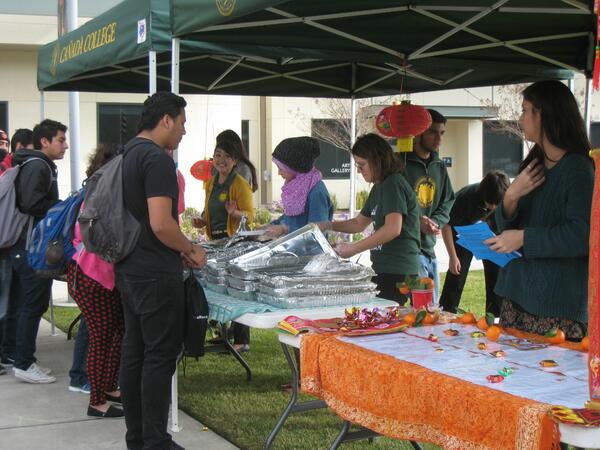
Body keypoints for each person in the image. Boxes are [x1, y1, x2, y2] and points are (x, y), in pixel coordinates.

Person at [116, 92, 207, 449]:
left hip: (130, 268)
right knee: (158, 357)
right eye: (182, 123)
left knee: (136, 353)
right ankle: (155, 441)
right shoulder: (156, 159)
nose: (183, 131)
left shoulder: (128, 153)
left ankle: (137, 438)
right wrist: (190, 249)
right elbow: (161, 224)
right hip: (154, 273)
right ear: (166, 120)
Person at [485, 80, 594, 341]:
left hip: (557, 305)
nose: (520, 118)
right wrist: (510, 196)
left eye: (525, 110)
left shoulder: (578, 170)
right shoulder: (534, 164)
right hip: (517, 297)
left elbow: (582, 235)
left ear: (543, 113)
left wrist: (523, 238)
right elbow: (503, 228)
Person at [319, 133, 420, 304]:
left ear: (377, 160)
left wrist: (354, 248)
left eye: (362, 165)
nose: (359, 170)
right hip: (384, 268)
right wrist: (328, 225)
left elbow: (392, 229)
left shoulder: (393, 183)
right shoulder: (379, 186)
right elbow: (358, 223)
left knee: (383, 322)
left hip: (397, 269)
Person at [67, 145, 125, 418]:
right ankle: (96, 401)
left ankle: (108, 387)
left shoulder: (96, 192)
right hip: (92, 277)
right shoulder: (103, 197)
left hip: (95, 276)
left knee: (115, 332)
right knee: (101, 337)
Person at [10, 119, 68, 383]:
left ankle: (24, 359)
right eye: (60, 140)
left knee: (31, 304)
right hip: (30, 247)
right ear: (44, 141)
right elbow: (31, 203)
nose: (65, 145)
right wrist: (60, 205)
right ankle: (22, 363)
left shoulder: (36, 164)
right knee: (32, 305)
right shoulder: (38, 166)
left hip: (26, 246)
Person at [193, 140, 255, 351]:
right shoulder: (211, 182)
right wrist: (202, 221)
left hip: (234, 244)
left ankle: (241, 340)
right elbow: (208, 209)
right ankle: (223, 334)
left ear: (235, 160)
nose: (221, 160)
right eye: (217, 155)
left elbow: (250, 216)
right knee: (217, 287)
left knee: (236, 288)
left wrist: (234, 213)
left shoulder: (239, 183)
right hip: (215, 243)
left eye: (226, 156)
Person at [439, 170, 510, 315]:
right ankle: (446, 312)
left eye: (498, 203)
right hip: (462, 231)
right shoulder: (466, 197)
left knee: (495, 274)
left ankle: (494, 318)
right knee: (457, 272)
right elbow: (446, 224)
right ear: (483, 195)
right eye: (491, 204)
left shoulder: (506, 196)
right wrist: (453, 257)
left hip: (489, 234)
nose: (494, 208)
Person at [402, 109, 455, 303]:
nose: (438, 138)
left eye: (442, 133)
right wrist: (417, 222)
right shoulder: (400, 164)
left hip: (430, 248)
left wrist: (436, 221)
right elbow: (392, 207)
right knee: (422, 310)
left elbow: (449, 200)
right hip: (408, 249)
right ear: (418, 133)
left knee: (431, 309)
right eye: (433, 132)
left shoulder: (439, 166)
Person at [262, 136, 333, 237]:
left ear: (295, 167)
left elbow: (318, 231)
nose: (278, 173)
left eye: (281, 168)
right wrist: (270, 226)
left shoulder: (316, 191)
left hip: (312, 252)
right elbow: (289, 218)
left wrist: (284, 229)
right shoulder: (296, 187)